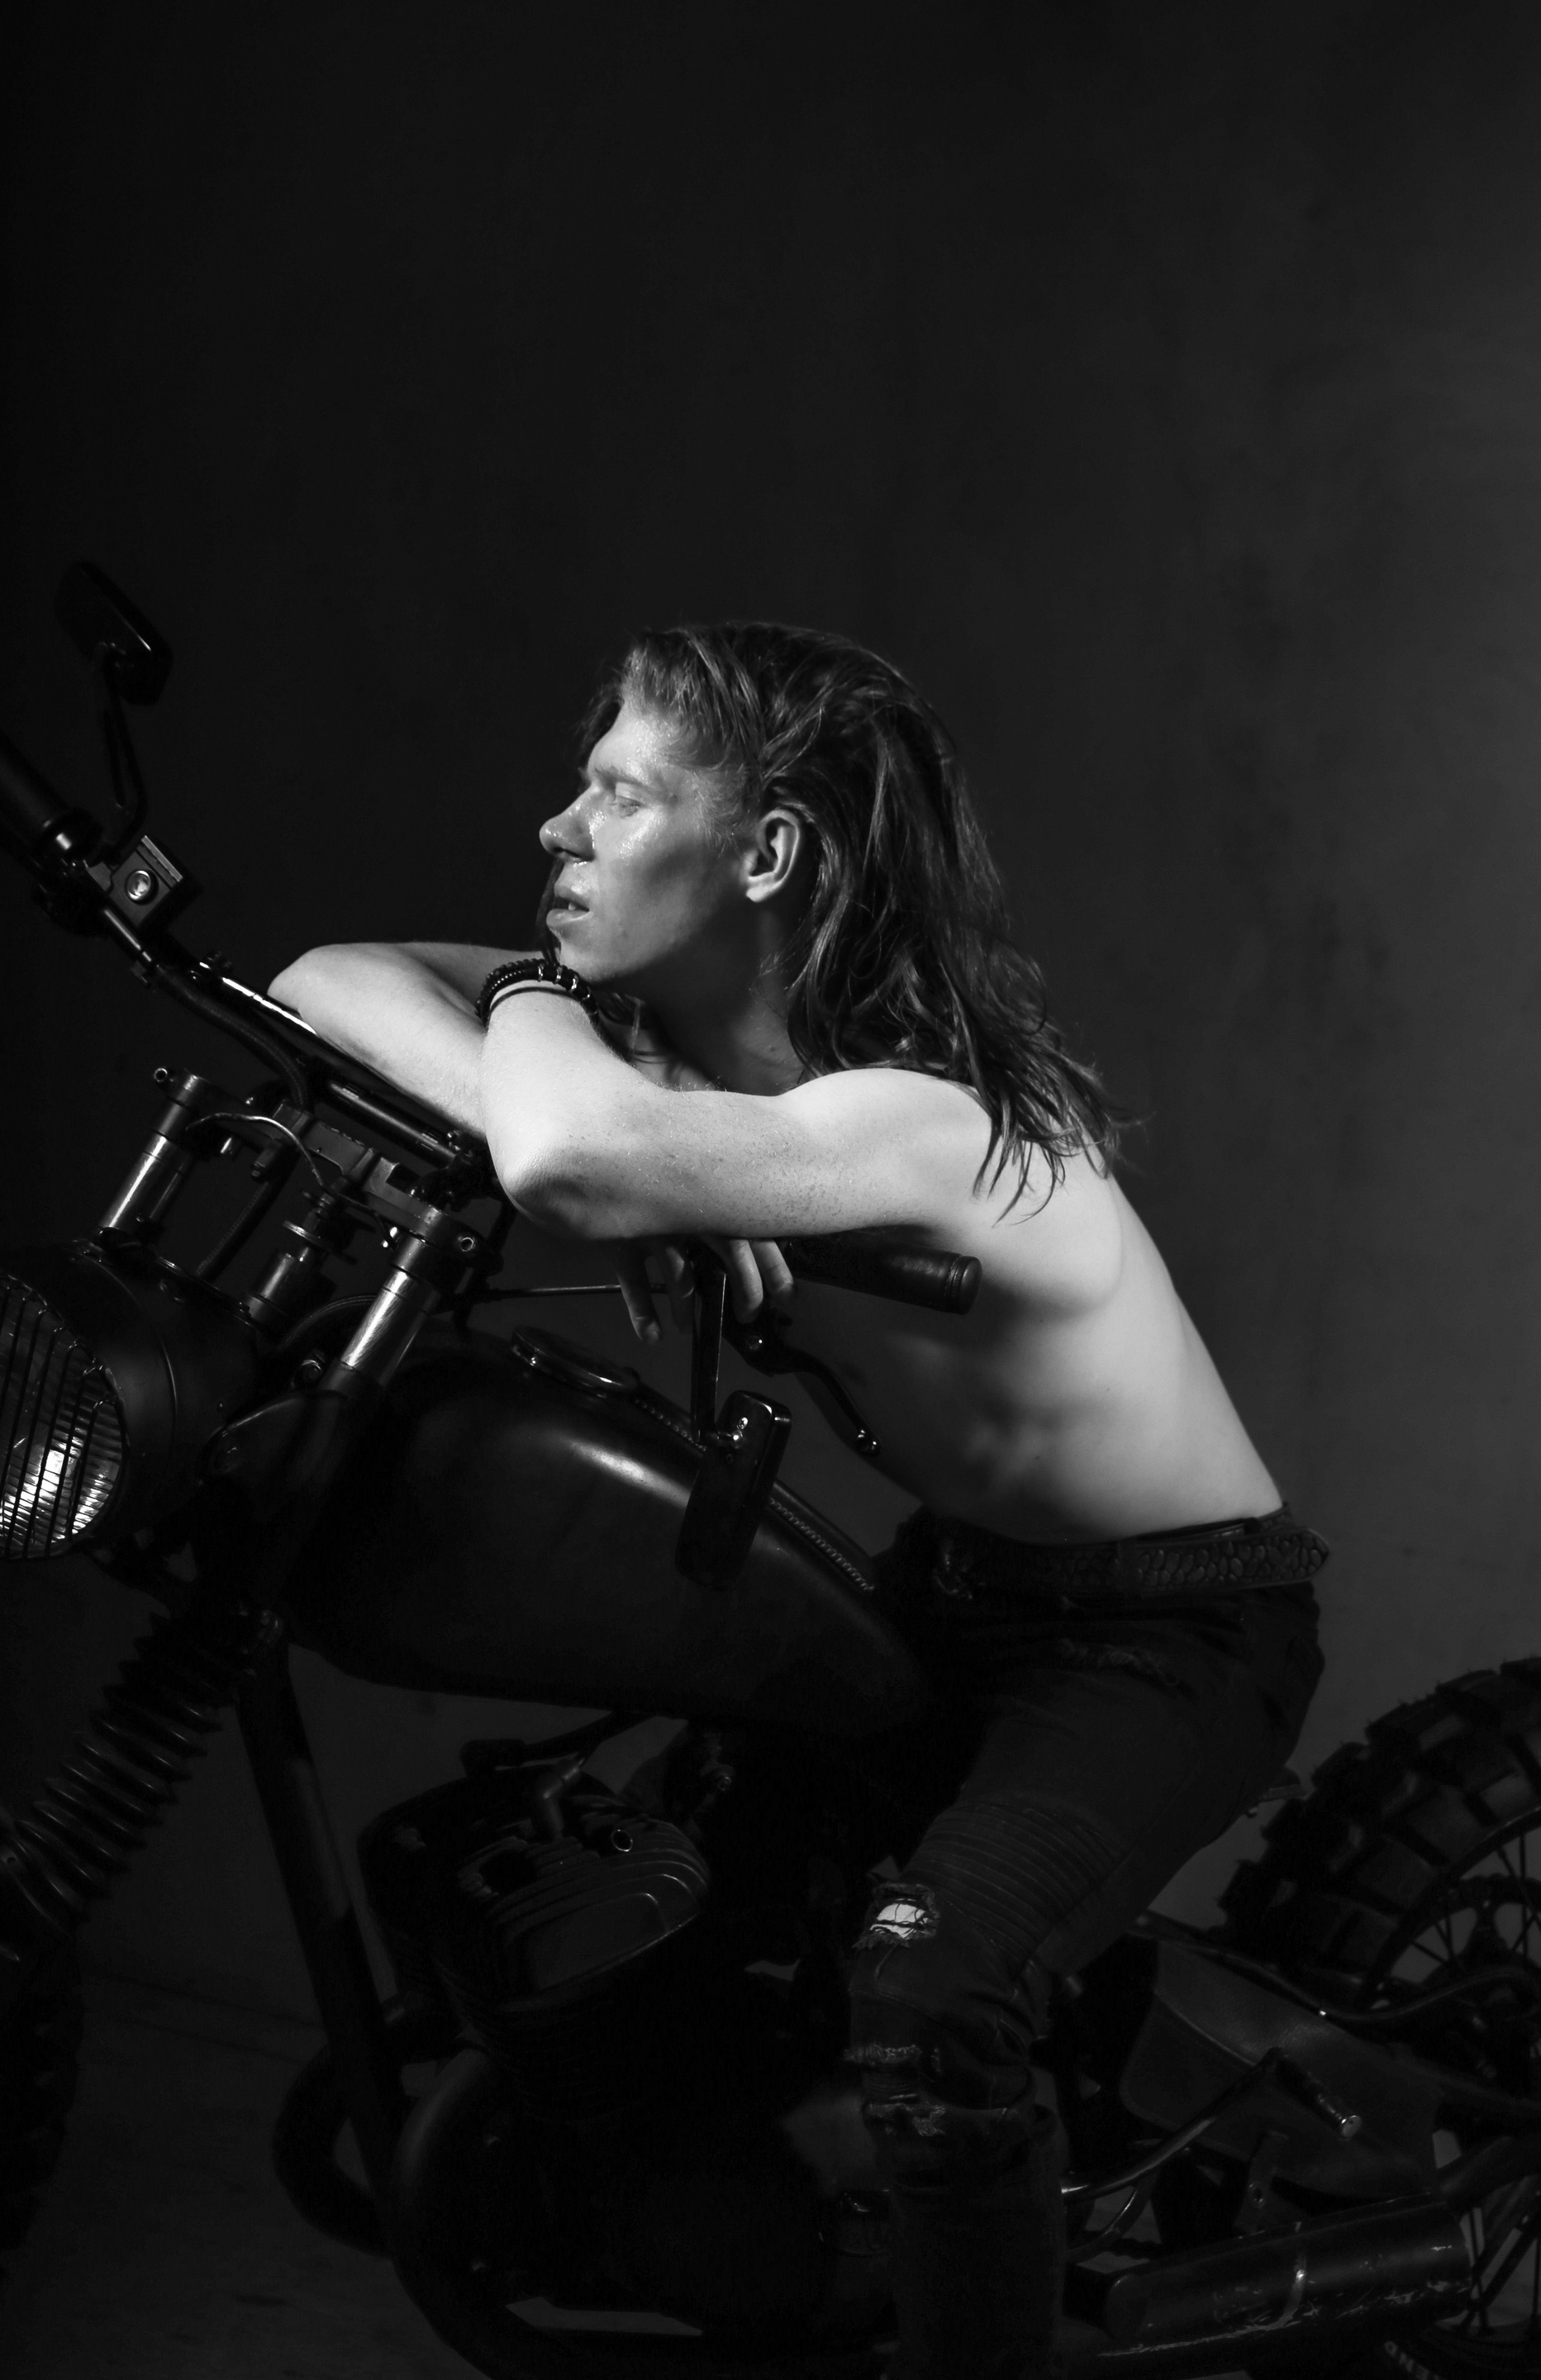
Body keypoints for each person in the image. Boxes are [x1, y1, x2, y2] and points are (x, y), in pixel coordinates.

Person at [271, 623, 1326, 2380]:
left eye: (620, 794)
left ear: (765, 851)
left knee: (932, 1994)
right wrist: (637, 1141)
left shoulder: (927, 1122)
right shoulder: (689, 1089)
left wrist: (580, 1086)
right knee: (677, 1926)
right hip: (964, 1588)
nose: (558, 828)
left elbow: (563, 1154)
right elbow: (328, 975)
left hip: (1169, 1629)